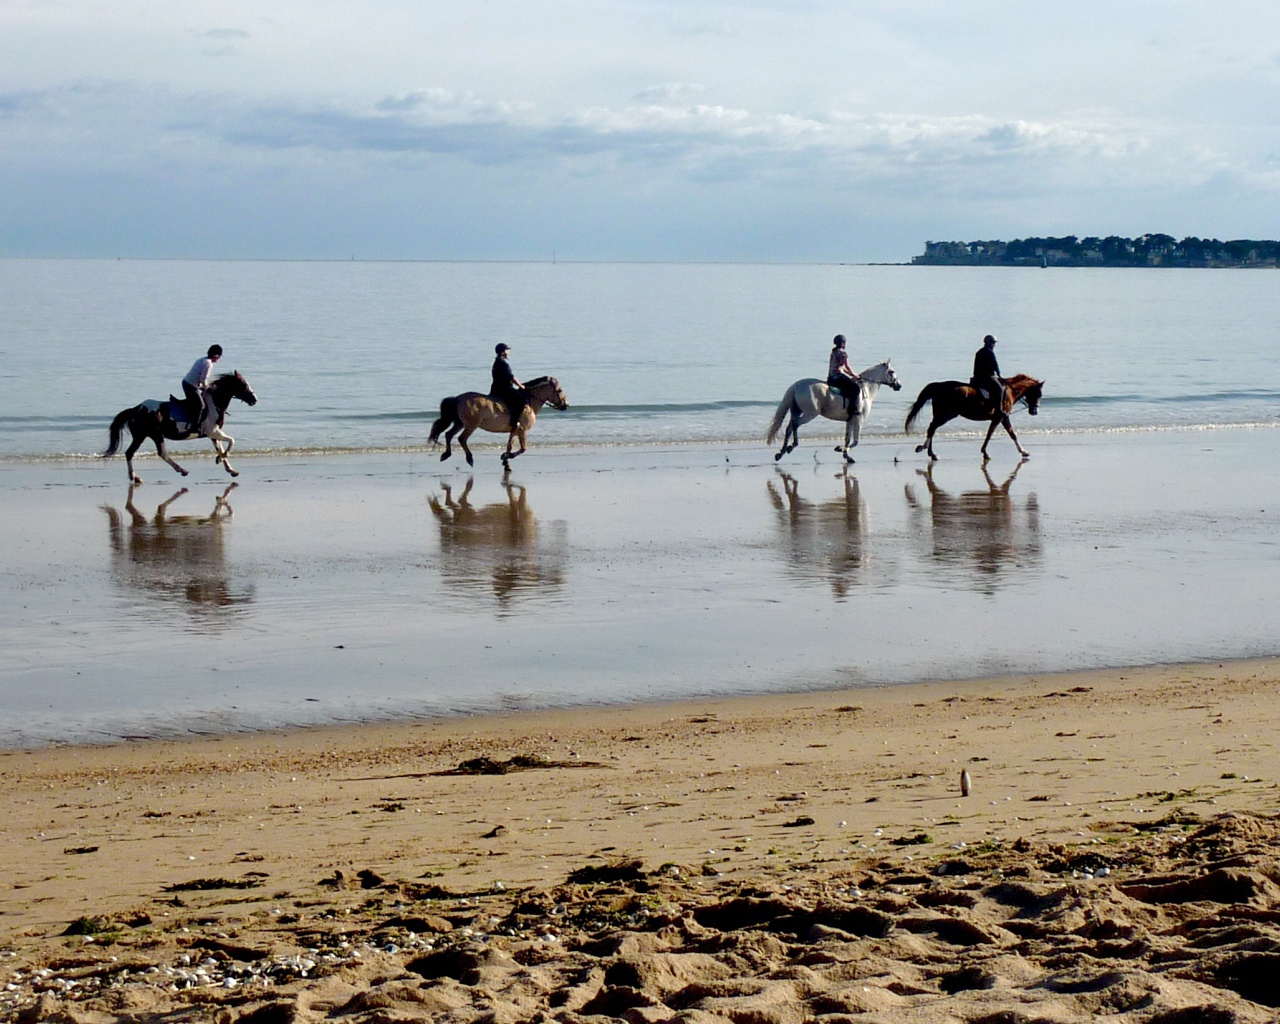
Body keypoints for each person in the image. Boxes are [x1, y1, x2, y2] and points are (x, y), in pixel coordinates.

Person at [182, 344, 222, 435]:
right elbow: (203, 380)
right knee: (201, 405)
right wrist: (207, 387)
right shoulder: (208, 364)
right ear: (215, 356)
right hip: (191, 385)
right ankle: (194, 427)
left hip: (188, 383)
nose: (219, 359)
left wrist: (205, 386)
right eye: (219, 356)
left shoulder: (202, 360)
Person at [490, 342, 527, 430]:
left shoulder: (497, 362)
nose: (508, 352)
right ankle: (514, 422)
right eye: (507, 350)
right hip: (504, 388)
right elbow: (511, 378)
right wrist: (521, 386)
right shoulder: (503, 364)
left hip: (495, 388)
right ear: (503, 352)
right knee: (522, 401)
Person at [826, 334, 863, 416]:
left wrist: (852, 375)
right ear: (842, 343)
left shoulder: (833, 352)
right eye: (844, 342)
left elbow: (843, 368)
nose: (845, 344)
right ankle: (852, 409)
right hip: (838, 377)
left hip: (830, 377)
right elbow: (847, 367)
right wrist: (855, 375)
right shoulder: (843, 354)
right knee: (856, 388)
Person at [970, 334, 1006, 414]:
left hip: (977, 376)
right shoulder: (989, 352)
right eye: (993, 342)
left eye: (994, 343)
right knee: (1000, 389)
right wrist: (999, 374)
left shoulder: (979, 351)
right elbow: (994, 364)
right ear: (988, 342)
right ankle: (999, 409)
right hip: (986, 377)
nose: (994, 344)